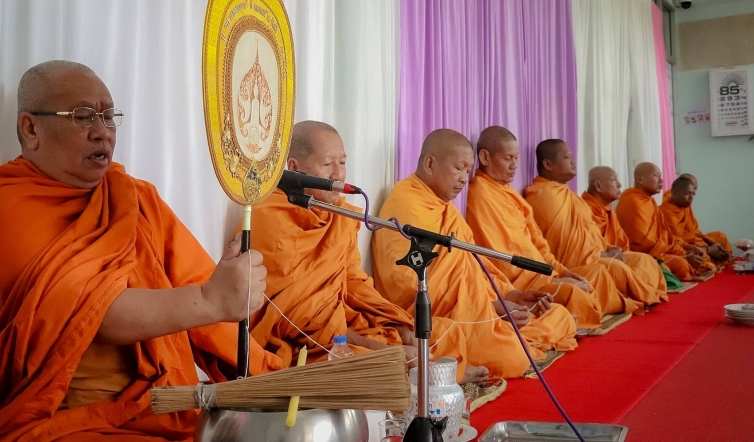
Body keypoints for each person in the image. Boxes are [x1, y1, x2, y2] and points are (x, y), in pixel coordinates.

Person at [0, 61, 282, 441]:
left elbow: (199, 290)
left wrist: (272, 378)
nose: (102, 132)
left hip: (163, 409)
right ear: (31, 129)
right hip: (58, 423)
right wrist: (211, 300)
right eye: (82, 117)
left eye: (109, 117)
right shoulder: (1, 213)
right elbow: (91, 312)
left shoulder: (131, 198)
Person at [373, 129, 576, 380]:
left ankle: (500, 336)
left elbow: (475, 262)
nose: (463, 179)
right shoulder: (407, 206)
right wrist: (490, 307)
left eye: (467, 171)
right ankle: (476, 350)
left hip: (476, 310)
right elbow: (408, 287)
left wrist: (511, 295)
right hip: (442, 320)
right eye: (458, 168)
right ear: (430, 164)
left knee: (561, 316)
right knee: (514, 355)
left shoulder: (444, 207)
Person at [247, 121, 437, 371]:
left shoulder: (339, 215)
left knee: (418, 339)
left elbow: (352, 279)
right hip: (302, 343)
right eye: (327, 165)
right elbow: (295, 316)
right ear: (294, 167)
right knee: (379, 364)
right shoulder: (270, 216)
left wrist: (397, 325)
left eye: (343, 163)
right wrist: (377, 349)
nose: (338, 175)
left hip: (339, 325)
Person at [465, 126, 605, 330]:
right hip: (519, 284)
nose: (514, 165)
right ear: (485, 157)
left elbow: (537, 242)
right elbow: (498, 258)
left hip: (539, 274)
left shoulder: (510, 195)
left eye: (516, 159)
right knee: (574, 295)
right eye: (507, 159)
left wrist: (560, 271)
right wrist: (544, 280)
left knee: (585, 286)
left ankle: (566, 323)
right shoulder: (480, 194)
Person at [524, 141, 664, 309]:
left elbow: (590, 234)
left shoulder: (573, 198)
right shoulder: (542, 195)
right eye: (567, 157)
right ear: (548, 164)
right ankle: (632, 298)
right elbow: (566, 245)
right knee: (612, 269)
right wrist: (603, 255)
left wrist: (607, 248)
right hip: (574, 265)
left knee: (644, 260)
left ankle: (633, 295)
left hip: (596, 255)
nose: (573, 162)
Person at [582, 166, 676, 292]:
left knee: (646, 261)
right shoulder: (583, 209)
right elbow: (583, 248)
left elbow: (622, 243)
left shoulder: (609, 212)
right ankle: (635, 292)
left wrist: (616, 251)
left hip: (616, 256)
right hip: (596, 259)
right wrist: (607, 253)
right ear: (598, 186)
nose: (619, 185)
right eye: (614, 180)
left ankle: (639, 291)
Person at [615, 163, 713, 281]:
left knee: (697, 258)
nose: (661, 180)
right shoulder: (633, 202)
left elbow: (665, 235)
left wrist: (685, 247)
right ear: (640, 179)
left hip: (659, 251)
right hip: (643, 255)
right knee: (681, 265)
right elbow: (642, 243)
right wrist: (682, 253)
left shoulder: (650, 202)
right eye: (656, 176)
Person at [660, 176, 732, 266]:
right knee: (701, 255)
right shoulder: (666, 211)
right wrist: (706, 248)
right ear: (676, 192)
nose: (692, 196)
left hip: (694, 238)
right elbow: (674, 239)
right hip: (683, 244)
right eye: (688, 193)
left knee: (720, 237)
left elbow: (695, 229)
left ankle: (720, 261)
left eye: (693, 192)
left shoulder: (684, 205)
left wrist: (708, 241)